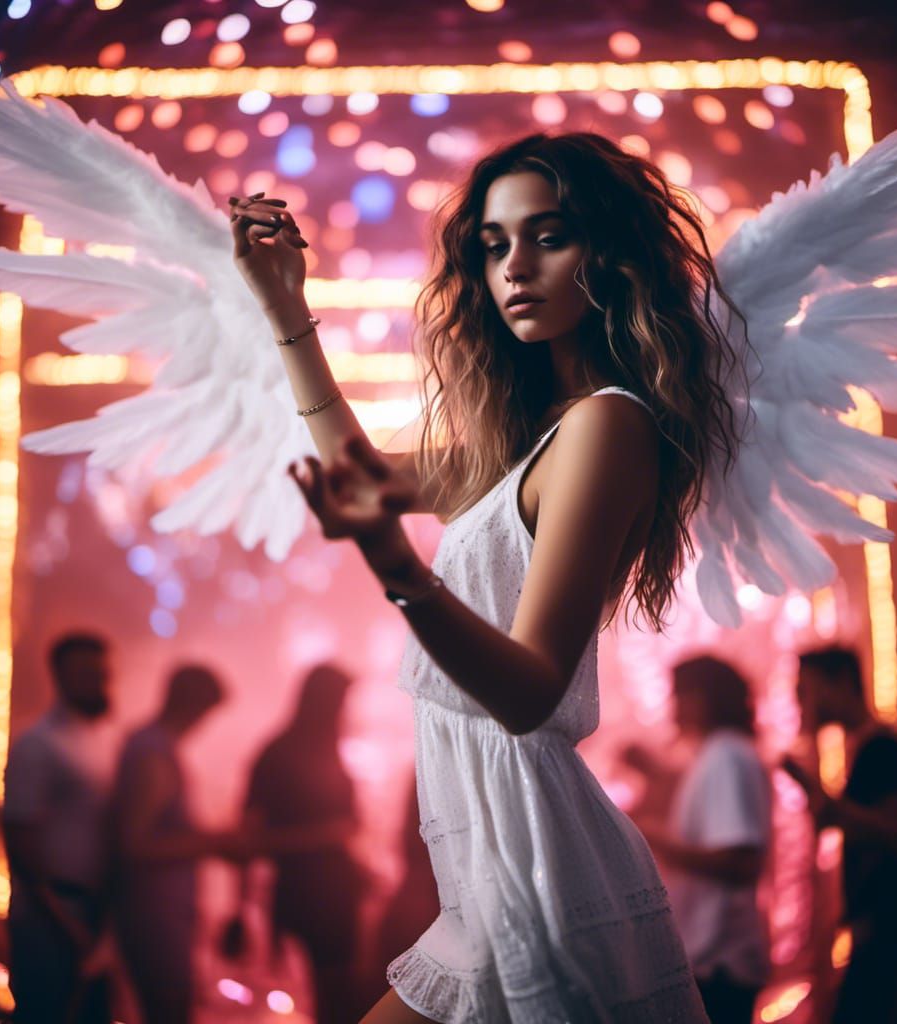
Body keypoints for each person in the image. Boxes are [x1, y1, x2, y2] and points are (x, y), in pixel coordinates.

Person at [229, 131, 744, 1022]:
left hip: (536, 866)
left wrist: (396, 565)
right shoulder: (534, 436)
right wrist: (285, 311)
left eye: (549, 236)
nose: (515, 266)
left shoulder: (608, 426)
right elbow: (362, 471)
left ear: (610, 254)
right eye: (495, 244)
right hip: (494, 868)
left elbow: (532, 691)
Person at [783, 646, 897, 1024]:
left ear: (840, 682)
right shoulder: (862, 748)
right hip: (882, 922)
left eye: (806, 689)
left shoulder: (883, 747)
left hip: (894, 922)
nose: (799, 700)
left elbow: (896, 827)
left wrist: (823, 798)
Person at [627, 656, 771, 1024]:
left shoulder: (725, 756)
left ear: (699, 700)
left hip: (720, 959)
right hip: (715, 958)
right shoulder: (719, 754)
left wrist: (655, 839)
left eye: (677, 695)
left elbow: (740, 862)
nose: (671, 706)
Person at [225, 663, 368, 1024]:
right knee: (330, 993)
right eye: (340, 701)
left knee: (337, 993)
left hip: (328, 890)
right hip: (307, 893)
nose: (345, 710)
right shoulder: (280, 754)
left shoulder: (324, 749)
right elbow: (250, 836)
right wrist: (238, 906)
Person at [112, 663, 250, 1024]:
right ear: (194, 707)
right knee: (169, 1009)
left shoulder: (155, 748)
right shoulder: (152, 754)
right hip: (154, 913)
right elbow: (135, 844)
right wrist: (212, 843)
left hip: (162, 911)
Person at [2, 632, 119, 1024]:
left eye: (102, 674)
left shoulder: (103, 740)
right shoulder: (38, 745)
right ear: (60, 676)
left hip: (95, 911)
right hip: (51, 916)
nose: (99, 683)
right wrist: (63, 920)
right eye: (87, 673)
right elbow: (19, 838)